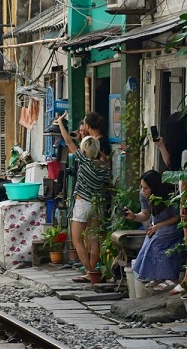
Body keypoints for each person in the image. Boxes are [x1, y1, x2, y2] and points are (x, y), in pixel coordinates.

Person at [154, 113, 187, 296]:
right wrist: (161, 146)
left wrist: (182, 206)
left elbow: (184, 181)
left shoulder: (186, 152)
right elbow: (173, 168)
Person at [57, 112, 111, 282]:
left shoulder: (83, 160)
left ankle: (89, 271)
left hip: (82, 204)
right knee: (94, 240)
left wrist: (60, 123)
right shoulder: (103, 166)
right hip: (97, 204)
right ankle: (93, 270)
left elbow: (67, 142)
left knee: (77, 239)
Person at [126, 170, 183, 292]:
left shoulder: (169, 195)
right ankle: (158, 276)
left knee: (157, 243)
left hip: (172, 225)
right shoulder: (143, 195)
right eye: (142, 187)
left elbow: (177, 217)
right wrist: (134, 216)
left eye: (146, 188)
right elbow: (145, 214)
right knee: (148, 243)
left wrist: (159, 226)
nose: (143, 191)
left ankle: (172, 278)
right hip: (157, 225)